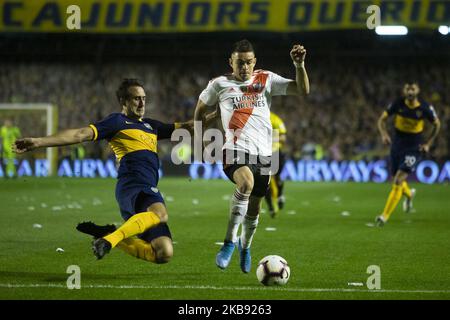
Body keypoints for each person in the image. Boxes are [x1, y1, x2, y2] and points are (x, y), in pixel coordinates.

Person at [13, 78, 217, 263]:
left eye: (144, 98)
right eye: (136, 99)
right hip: (133, 186)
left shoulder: (151, 125)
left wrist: (219, 113)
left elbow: (190, 126)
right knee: (161, 214)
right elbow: (80, 134)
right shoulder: (116, 122)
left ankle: (110, 234)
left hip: (144, 190)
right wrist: (38, 142)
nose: (141, 103)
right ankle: (110, 241)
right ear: (124, 102)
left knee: (164, 253)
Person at [194, 39, 309, 273]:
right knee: (245, 183)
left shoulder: (266, 79)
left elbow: (302, 90)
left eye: (248, 62)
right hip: (234, 149)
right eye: (239, 63)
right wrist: (199, 141)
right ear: (231, 62)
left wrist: (299, 65)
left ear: (254, 62)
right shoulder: (219, 84)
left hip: (265, 154)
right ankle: (228, 243)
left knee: (255, 208)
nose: (244, 67)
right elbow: (199, 110)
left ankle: (245, 247)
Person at [376, 82, 441, 226]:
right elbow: (381, 120)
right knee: (396, 177)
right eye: (407, 88)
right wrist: (384, 135)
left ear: (418, 90)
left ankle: (384, 216)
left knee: (398, 180)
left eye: (413, 88)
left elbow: (437, 124)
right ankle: (410, 194)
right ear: (404, 90)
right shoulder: (397, 104)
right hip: (397, 145)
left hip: (414, 147)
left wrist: (428, 143)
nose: (410, 91)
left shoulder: (425, 107)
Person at [264, 111, 287, 218]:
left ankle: (279, 196)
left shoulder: (275, 119)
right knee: (265, 181)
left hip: (276, 152)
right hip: (262, 153)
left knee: (276, 178)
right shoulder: (255, 118)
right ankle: (271, 207)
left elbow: (283, 137)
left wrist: (270, 138)